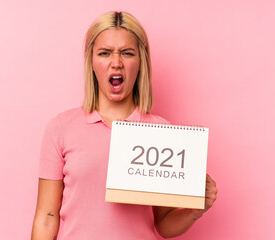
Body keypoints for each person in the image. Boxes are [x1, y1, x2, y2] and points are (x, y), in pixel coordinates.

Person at [31, 11, 217, 240]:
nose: (116, 63)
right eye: (105, 53)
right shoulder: (60, 128)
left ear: (140, 62)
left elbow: (163, 225)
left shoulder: (161, 133)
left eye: (127, 53)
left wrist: (195, 209)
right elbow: (47, 216)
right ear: (91, 60)